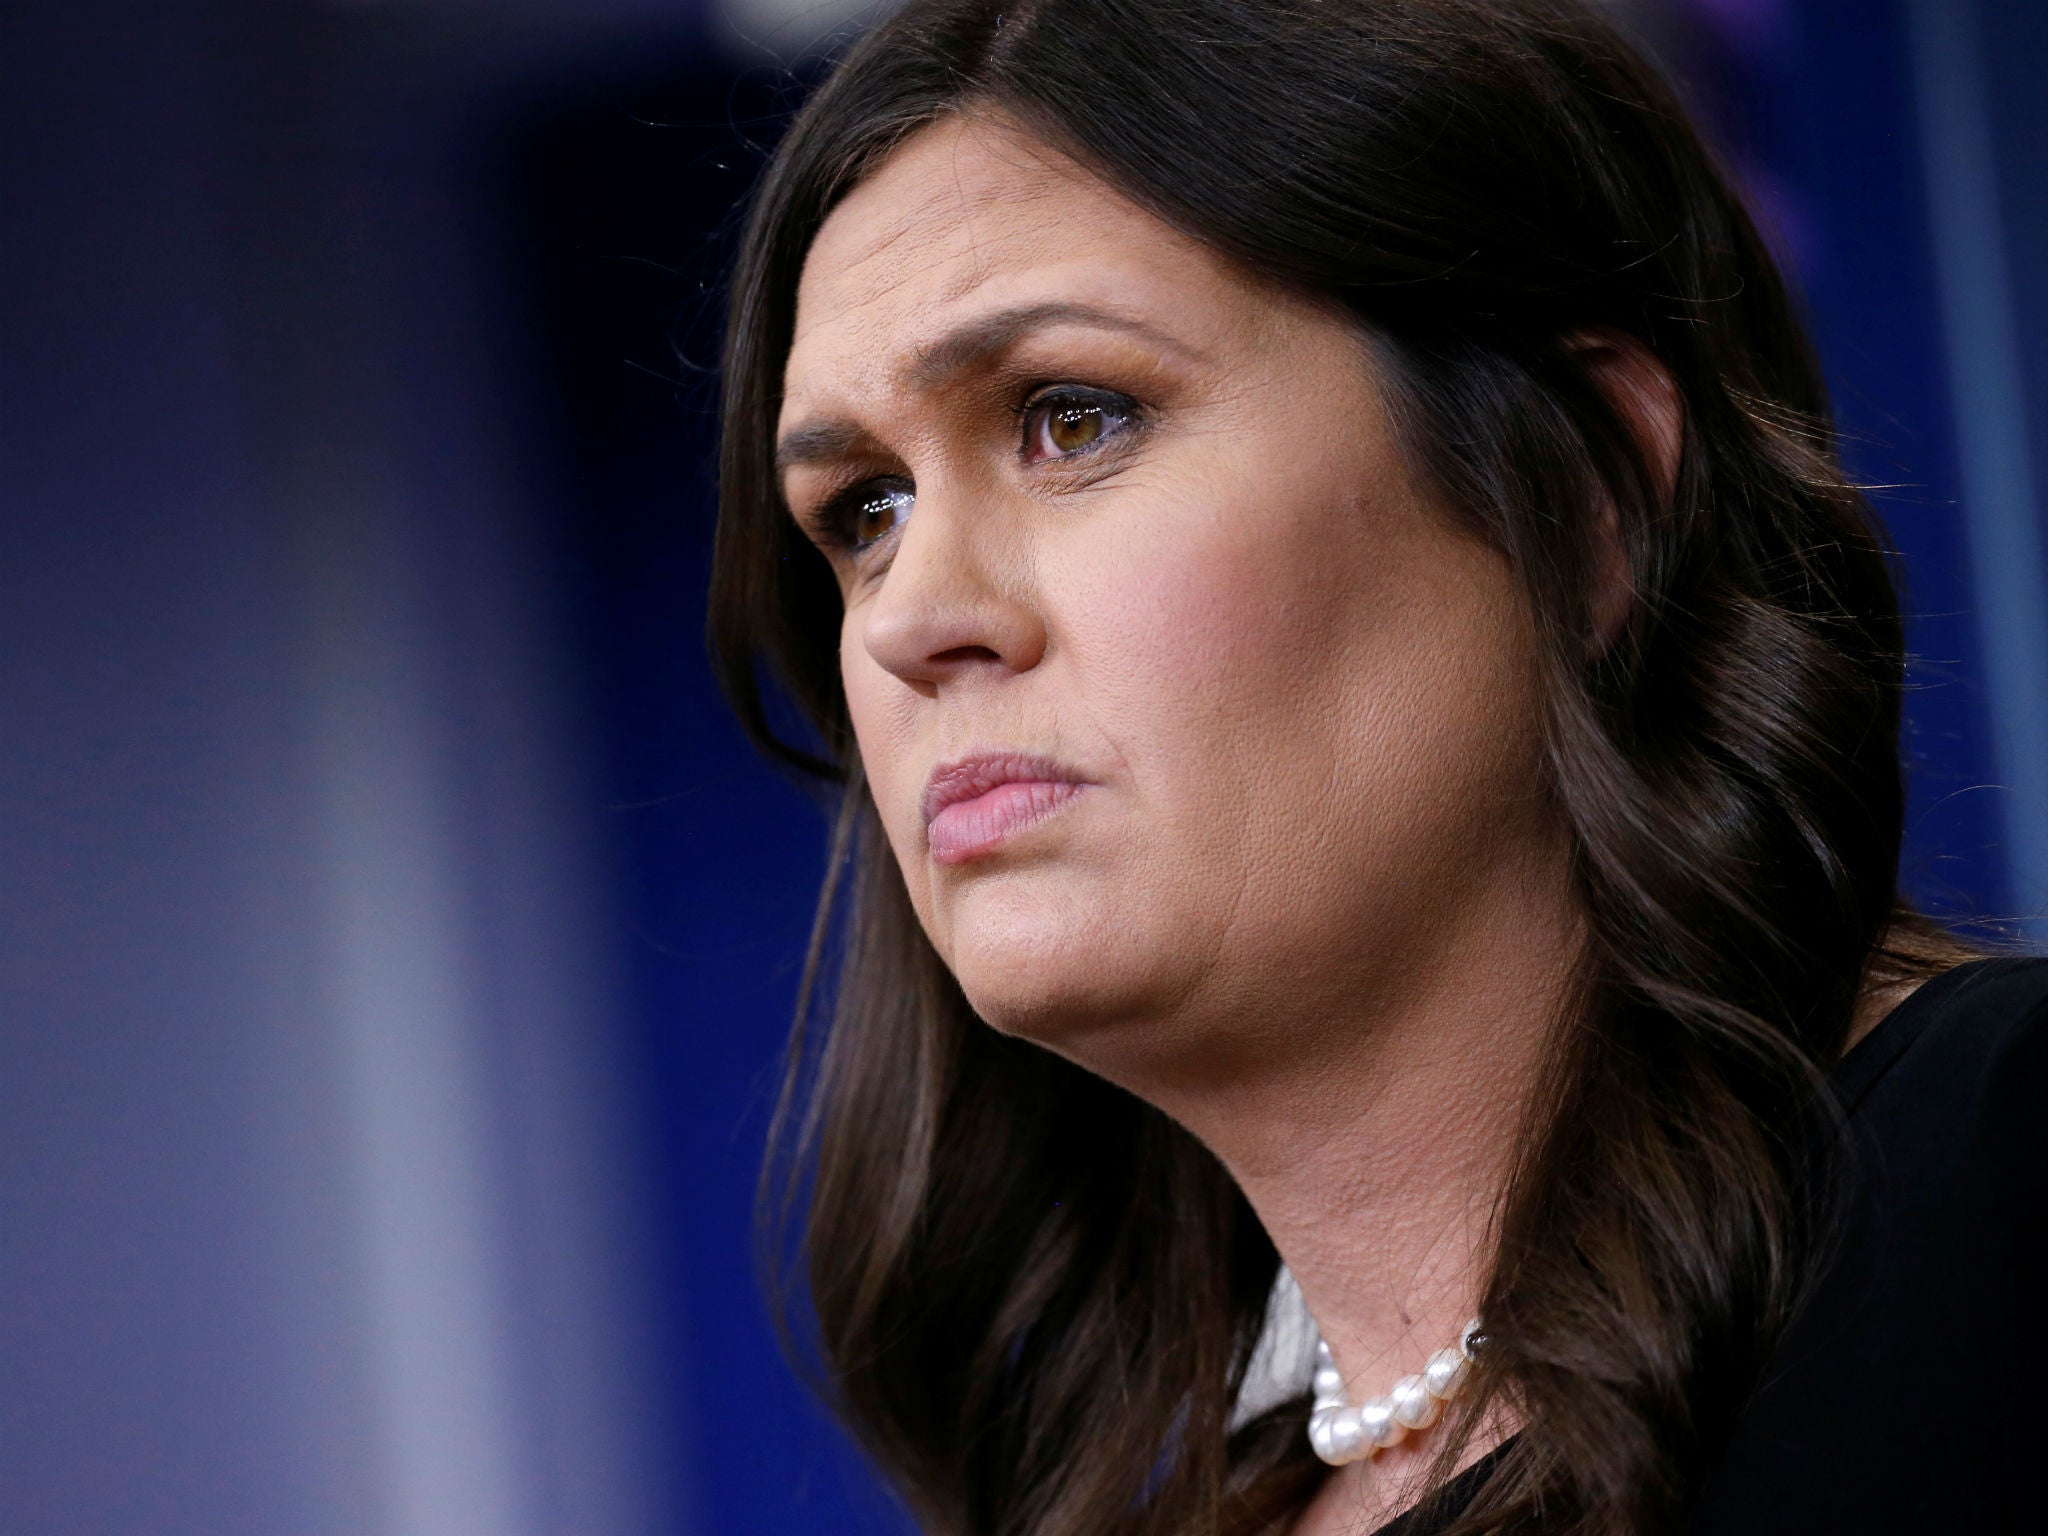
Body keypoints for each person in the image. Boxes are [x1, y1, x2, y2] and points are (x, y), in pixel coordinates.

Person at [705, 1, 2048, 1532]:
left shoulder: (2005, 1183)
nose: (914, 622)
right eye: (862, 510)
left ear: (1584, 489)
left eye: (1072, 418)